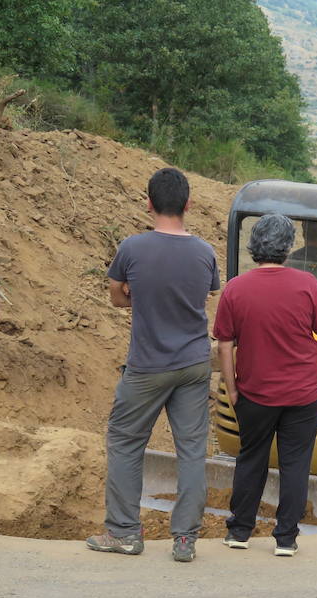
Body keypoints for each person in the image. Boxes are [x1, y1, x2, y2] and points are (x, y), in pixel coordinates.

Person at [86, 168, 219, 562]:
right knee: (192, 450)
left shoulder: (132, 248)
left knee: (126, 442)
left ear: (148, 202)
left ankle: (125, 532)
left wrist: (135, 294)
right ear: (188, 205)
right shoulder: (204, 252)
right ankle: (184, 539)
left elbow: (116, 299)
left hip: (147, 365)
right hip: (195, 363)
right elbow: (204, 297)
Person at [215, 213, 317, 557]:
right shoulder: (310, 285)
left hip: (254, 393)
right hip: (304, 393)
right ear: (287, 248)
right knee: (296, 463)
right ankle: (286, 538)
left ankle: (239, 531)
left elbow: (225, 344)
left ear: (255, 247)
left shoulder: (236, 288)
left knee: (251, 457)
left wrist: (232, 387)